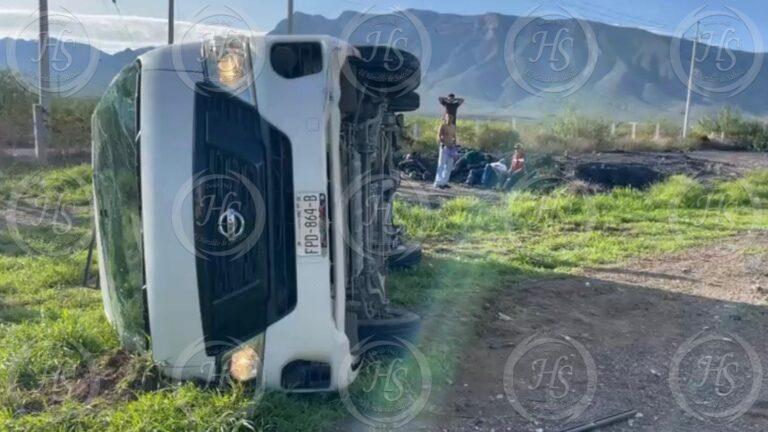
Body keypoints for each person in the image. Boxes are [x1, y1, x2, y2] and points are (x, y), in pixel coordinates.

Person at [434, 114, 459, 189]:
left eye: (451, 118)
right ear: (446, 118)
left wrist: (454, 144)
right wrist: (442, 143)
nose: (450, 119)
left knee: (449, 165)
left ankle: (444, 182)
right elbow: (439, 135)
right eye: (448, 118)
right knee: (441, 164)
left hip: (451, 148)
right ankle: (438, 182)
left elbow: (454, 136)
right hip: (444, 147)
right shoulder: (443, 126)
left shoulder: (453, 127)